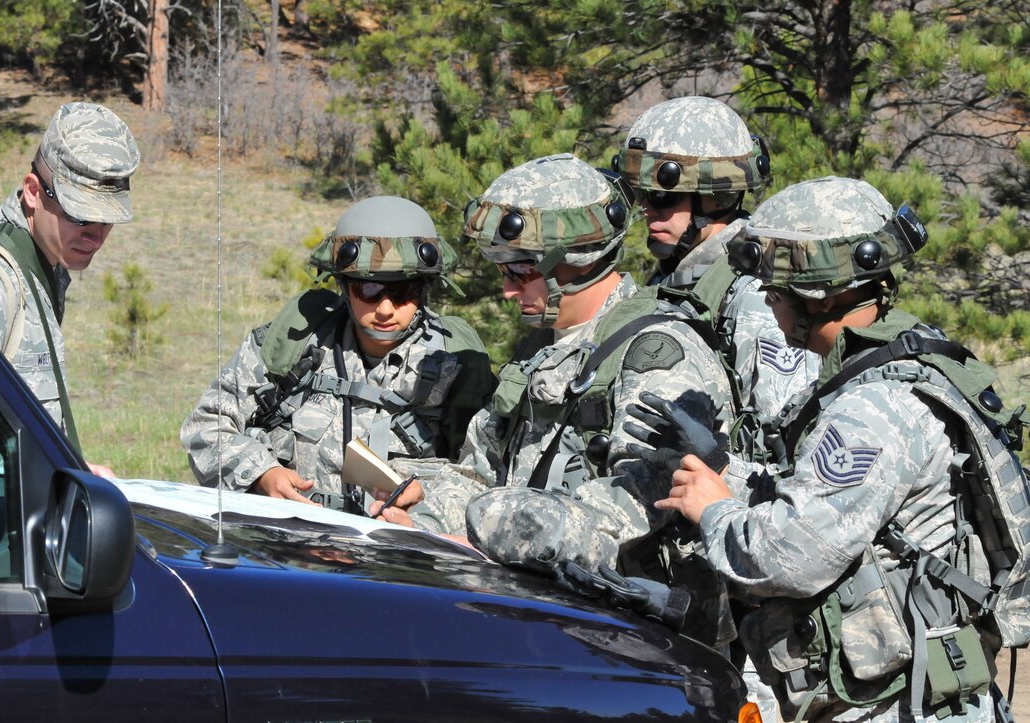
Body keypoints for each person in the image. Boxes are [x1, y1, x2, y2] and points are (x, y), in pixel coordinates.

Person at [650, 176, 1012, 721]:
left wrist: (714, 511)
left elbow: (786, 559)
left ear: (818, 292)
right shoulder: (901, 364)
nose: (768, 303)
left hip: (897, 706)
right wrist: (727, 469)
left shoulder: (873, 408)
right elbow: (826, 496)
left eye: (774, 288)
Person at [374, 154, 736, 644]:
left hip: (633, 637)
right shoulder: (543, 346)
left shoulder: (658, 353)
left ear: (576, 261)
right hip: (537, 613)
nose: (505, 289)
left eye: (520, 270)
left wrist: (501, 527)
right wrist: (423, 501)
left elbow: (638, 513)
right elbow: (482, 471)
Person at [181, 195, 496, 516]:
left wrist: (427, 499)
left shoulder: (455, 360)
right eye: (368, 290)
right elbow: (207, 425)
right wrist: (263, 474)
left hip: (395, 549)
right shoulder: (294, 341)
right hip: (287, 538)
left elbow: (485, 475)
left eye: (403, 291)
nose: (385, 309)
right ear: (344, 286)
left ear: (425, 288)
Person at [0, 101, 140, 475]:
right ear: (33, 191)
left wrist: (67, 467)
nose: (96, 236)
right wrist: (41, 478)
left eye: (107, 220)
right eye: (80, 215)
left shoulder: (43, 258)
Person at [616, 96, 820, 439]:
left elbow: (782, 436)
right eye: (641, 194)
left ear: (717, 196)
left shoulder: (757, 292)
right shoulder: (673, 277)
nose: (647, 209)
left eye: (662, 196)